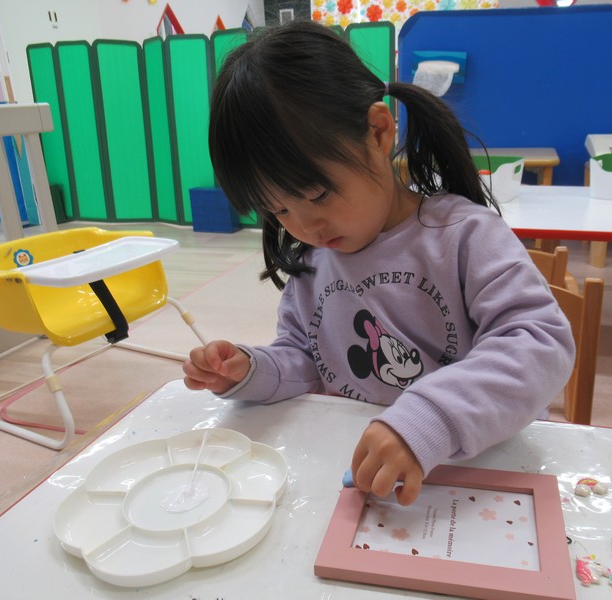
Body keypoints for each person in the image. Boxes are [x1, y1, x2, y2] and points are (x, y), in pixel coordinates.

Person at [183, 20, 575, 506]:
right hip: (369, 481)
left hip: (481, 474)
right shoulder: (313, 262)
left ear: (378, 131)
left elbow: (540, 343)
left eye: (318, 195)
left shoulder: (464, 236)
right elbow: (305, 359)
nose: (306, 227)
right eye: (278, 211)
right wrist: (251, 371)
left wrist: (428, 420)